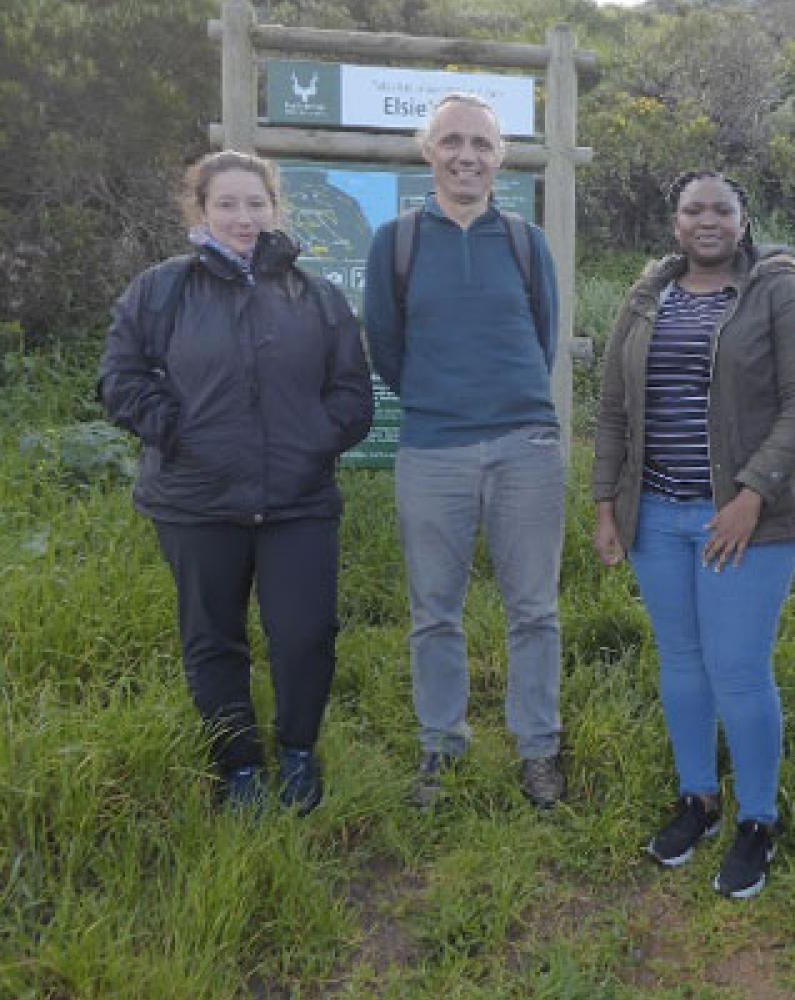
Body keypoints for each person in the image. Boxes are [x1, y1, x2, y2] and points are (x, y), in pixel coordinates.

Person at [99, 150, 374, 814]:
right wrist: (181, 436)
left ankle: (298, 754)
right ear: (200, 210)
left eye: (255, 204)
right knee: (212, 638)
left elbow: (351, 394)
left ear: (275, 209)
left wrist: (311, 443)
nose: (242, 218)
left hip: (298, 502)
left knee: (305, 632)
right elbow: (120, 380)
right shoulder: (159, 291)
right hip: (195, 503)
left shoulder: (315, 295)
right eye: (226, 203)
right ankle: (239, 767)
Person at [591, 170, 795, 898]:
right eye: (692, 207)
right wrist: (606, 504)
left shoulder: (776, 290)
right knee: (682, 663)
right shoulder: (645, 297)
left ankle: (758, 819)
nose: (706, 220)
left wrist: (753, 494)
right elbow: (611, 412)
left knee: (737, 669)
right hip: (656, 517)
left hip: (743, 524)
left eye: (721, 208)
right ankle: (697, 799)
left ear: (743, 217)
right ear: (675, 222)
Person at [363, 92, 567, 809]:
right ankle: (441, 745)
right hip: (433, 449)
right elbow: (386, 349)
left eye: (481, 144)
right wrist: (443, 399)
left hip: (526, 446)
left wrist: (506, 405)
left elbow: (541, 339)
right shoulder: (396, 243)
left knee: (534, 610)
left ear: (499, 157)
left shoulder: (524, 241)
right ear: (429, 151)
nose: (466, 156)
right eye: (452, 141)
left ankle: (539, 748)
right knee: (434, 613)